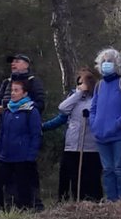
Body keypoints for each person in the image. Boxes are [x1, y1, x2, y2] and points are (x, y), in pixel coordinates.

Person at [42, 67, 103, 202]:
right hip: (72, 145)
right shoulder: (74, 97)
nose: (80, 85)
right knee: (71, 176)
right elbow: (63, 108)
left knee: (90, 177)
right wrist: (78, 94)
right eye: (79, 82)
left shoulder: (97, 97)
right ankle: (70, 201)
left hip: (90, 146)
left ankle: (93, 202)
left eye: (83, 82)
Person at [89, 47, 121, 202]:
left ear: (117, 64)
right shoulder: (99, 85)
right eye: (103, 61)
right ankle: (111, 200)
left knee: (119, 168)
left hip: (120, 136)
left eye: (109, 61)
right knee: (108, 169)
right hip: (101, 136)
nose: (106, 64)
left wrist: (117, 124)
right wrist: (94, 124)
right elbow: (93, 107)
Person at [0, 77, 42, 211]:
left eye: (16, 90)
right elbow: (3, 133)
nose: (13, 93)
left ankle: (25, 211)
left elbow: (36, 135)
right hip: (5, 156)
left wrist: (31, 156)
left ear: (24, 93)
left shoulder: (31, 110)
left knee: (23, 187)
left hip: (22, 157)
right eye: (12, 90)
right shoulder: (7, 110)